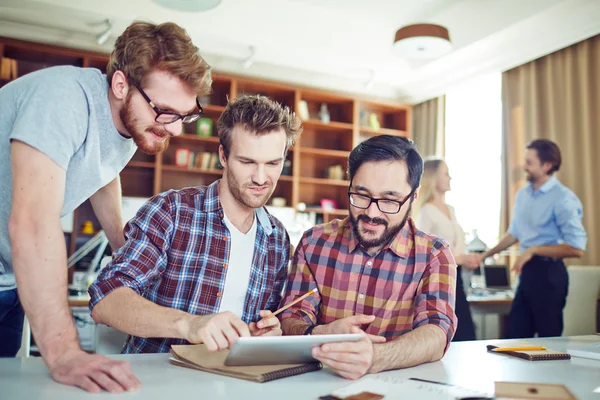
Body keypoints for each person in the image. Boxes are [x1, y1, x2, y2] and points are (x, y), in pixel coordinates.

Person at [0, 20, 211, 393]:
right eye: (166, 112)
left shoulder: (131, 127)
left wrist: (122, 247)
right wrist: (66, 352)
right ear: (120, 85)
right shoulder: (62, 99)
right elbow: (32, 225)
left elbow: (103, 172)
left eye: (186, 115)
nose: (176, 129)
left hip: (10, 280)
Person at [89, 95, 302, 354]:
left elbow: (260, 321)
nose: (260, 178)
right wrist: (189, 325)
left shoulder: (277, 238)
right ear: (223, 156)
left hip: (232, 383)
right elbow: (105, 300)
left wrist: (262, 331)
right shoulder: (171, 212)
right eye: (247, 162)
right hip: (157, 383)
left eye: (273, 163)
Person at [279, 135, 457, 380]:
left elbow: (437, 333)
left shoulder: (434, 255)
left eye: (389, 200)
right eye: (361, 195)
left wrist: (376, 357)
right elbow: (291, 317)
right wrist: (319, 332)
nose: (372, 213)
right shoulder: (314, 243)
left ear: (413, 197)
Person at [483, 139, 586, 338]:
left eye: (529, 162)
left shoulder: (563, 198)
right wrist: (485, 255)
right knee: (515, 337)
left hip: (549, 274)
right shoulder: (523, 195)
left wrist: (533, 250)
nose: (524, 166)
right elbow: (515, 234)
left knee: (550, 342)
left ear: (547, 166)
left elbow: (576, 248)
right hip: (527, 273)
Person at [414, 158, 479, 341]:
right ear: (433, 177)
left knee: (466, 333)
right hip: (439, 280)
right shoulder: (426, 211)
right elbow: (424, 253)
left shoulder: (451, 209)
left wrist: (467, 259)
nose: (450, 177)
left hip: (457, 280)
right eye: (445, 173)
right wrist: (461, 259)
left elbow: (455, 246)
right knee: (455, 334)